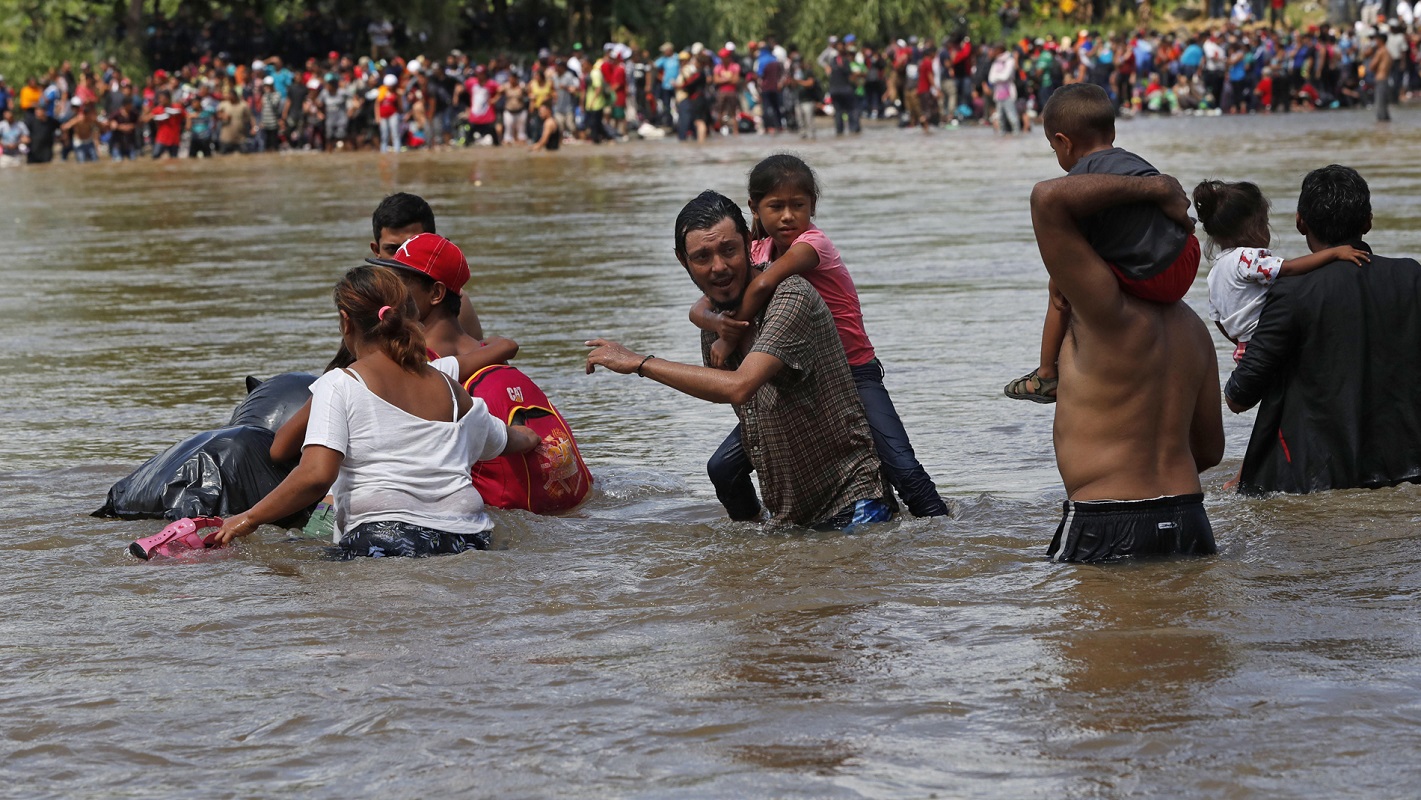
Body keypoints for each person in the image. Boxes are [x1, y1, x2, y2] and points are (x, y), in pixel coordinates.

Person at [586, 190, 892, 531]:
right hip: (793, 520)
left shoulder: (791, 297)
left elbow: (739, 387)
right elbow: (749, 415)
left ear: (748, 241)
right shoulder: (716, 322)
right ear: (681, 260)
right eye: (702, 257)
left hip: (855, 507)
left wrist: (641, 363)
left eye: (728, 250)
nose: (719, 267)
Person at [213, 265, 541, 557]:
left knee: (277, 570)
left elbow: (315, 476)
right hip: (471, 539)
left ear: (345, 321)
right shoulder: (451, 388)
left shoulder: (340, 383)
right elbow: (509, 439)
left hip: (386, 541)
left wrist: (247, 519)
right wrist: (533, 436)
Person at [690, 155, 948, 519]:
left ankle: (942, 533)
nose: (787, 216)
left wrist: (730, 338)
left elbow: (763, 283)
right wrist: (716, 325)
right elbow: (700, 306)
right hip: (798, 381)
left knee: (902, 466)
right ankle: (753, 534)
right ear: (754, 207)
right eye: (775, 206)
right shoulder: (756, 250)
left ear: (813, 205)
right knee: (723, 468)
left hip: (853, 374)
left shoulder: (814, 244)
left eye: (799, 206)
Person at [1029, 170, 1223, 563]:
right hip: (1188, 517)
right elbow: (1210, 450)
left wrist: (1156, 186)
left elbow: (1046, 198)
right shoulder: (1193, 328)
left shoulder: (1104, 317)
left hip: (1105, 518)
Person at [1225, 165, 1421, 495]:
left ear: (1301, 222)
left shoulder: (1292, 292)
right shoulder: (1412, 278)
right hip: (1407, 466)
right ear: (1368, 222)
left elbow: (1238, 397)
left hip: (1316, 478)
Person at [1005, 84, 1200, 404]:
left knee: (1058, 286)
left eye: (1053, 149)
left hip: (1152, 276)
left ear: (1062, 142)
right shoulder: (1138, 164)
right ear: (1111, 130)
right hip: (1185, 257)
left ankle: (1045, 375)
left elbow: (1074, 252)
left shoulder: (1078, 183)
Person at [1194, 180, 1369, 365]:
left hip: (1245, 351)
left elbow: (1217, 319)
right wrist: (1334, 252)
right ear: (1252, 227)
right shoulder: (1246, 257)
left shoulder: (1214, 273)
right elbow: (1289, 269)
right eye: (1264, 223)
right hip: (1271, 342)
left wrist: (1239, 342)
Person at [217, 87, 253, 155]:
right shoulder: (223, 105)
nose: (230, 97)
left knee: (245, 158)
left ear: (236, 95)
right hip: (226, 138)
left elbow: (250, 117)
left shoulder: (243, 105)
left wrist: (253, 128)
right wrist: (222, 116)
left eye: (231, 95)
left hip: (240, 138)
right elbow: (217, 115)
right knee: (223, 159)